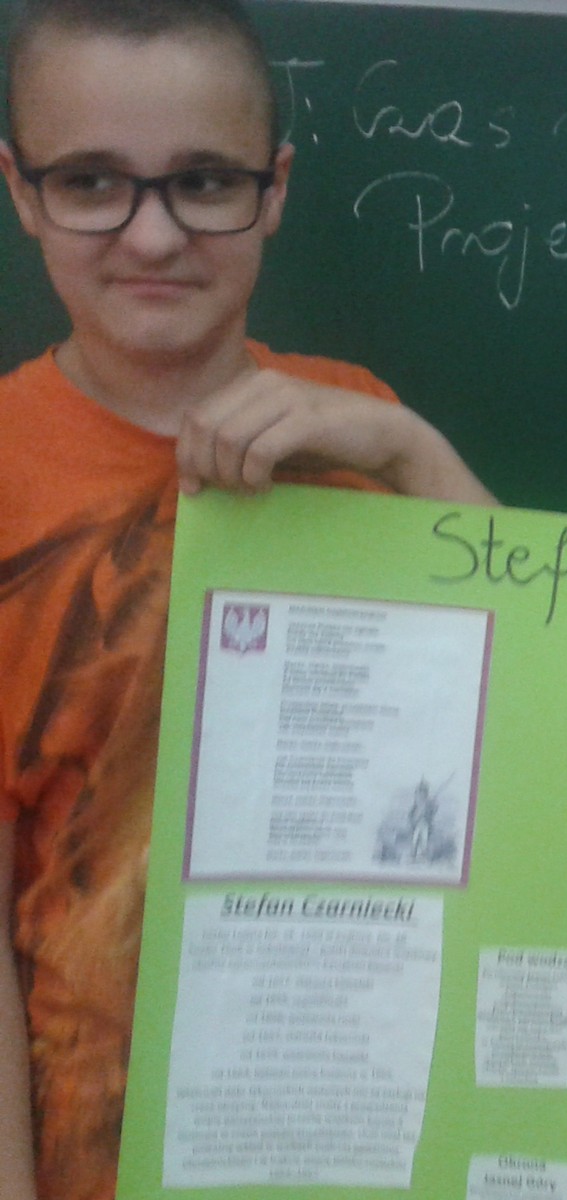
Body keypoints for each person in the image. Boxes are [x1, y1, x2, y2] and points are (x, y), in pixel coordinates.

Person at [0, 2, 494, 1196]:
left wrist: (409, 448)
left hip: (365, 1130)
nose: (153, 234)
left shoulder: (362, 423)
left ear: (273, 190)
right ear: (21, 191)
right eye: (91, 182)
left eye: (204, 182)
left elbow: (539, 706)